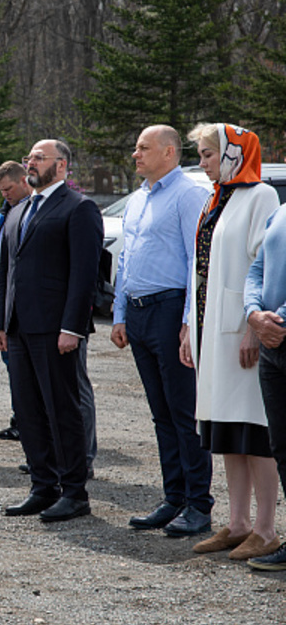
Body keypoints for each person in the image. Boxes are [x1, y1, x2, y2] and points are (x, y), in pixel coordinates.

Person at [180, 125, 280, 559]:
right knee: (224, 427)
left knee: (255, 429)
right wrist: (189, 325)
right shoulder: (217, 199)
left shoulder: (260, 196)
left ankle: (266, 528)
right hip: (209, 328)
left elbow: (262, 264)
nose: (201, 163)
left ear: (235, 154)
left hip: (240, 329)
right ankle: (237, 522)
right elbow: (200, 267)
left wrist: (250, 328)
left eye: (207, 155)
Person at [112, 125, 213, 538]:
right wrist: (119, 314)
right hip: (138, 313)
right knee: (160, 413)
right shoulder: (138, 199)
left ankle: (198, 504)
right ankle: (173, 498)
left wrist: (189, 322)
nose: (134, 154)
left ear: (169, 152)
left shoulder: (188, 195)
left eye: (143, 148)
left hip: (170, 311)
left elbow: (197, 261)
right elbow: (126, 261)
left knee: (183, 412)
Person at [0, 140, 102, 522]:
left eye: (39, 158)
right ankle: (43, 486)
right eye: (28, 158)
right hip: (19, 329)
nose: (31, 163)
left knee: (62, 409)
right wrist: (0, 324)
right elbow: (7, 271)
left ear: (62, 165)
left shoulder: (79, 208)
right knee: (28, 410)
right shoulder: (18, 210)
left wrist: (72, 326)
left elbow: (84, 274)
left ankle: (74, 492)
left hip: (57, 329)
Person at [244, 200, 286, 570]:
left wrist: (278, 319)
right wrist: (254, 313)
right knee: (282, 445)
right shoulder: (281, 212)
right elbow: (256, 270)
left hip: (278, 331)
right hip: (273, 346)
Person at [0, 160, 30, 443]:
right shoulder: (4, 213)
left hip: (21, 297)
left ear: (24, 181)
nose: (5, 195)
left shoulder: (31, 212)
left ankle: (28, 422)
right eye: (0, 190)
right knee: (10, 360)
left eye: (8, 189)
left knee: (21, 364)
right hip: (2, 293)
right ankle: (20, 419)